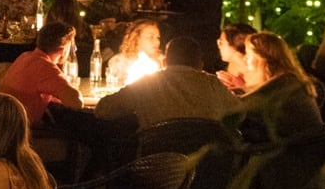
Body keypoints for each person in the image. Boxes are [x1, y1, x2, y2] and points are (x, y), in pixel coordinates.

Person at [237, 32, 325, 189]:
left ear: (263, 61)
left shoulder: (281, 87)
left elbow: (238, 109)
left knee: (232, 155)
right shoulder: (290, 80)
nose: (246, 61)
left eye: (250, 56)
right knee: (244, 144)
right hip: (310, 158)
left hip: (296, 167)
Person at [97, 37, 244, 130]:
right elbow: (239, 114)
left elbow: (102, 110)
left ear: (165, 62)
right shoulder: (213, 84)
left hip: (157, 166)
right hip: (204, 168)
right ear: (200, 63)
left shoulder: (147, 84)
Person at [0, 21, 89, 124]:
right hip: (16, 132)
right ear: (62, 50)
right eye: (71, 46)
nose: (74, 49)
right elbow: (76, 102)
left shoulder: (25, 56)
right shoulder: (46, 67)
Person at [216, 21, 256, 90]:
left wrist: (242, 87)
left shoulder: (256, 69)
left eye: (221, 42)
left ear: (235, 43)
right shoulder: (230, 68)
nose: (218, 45)